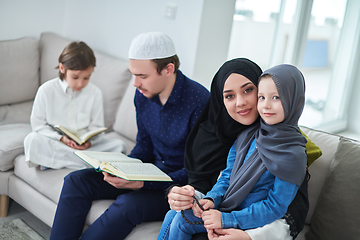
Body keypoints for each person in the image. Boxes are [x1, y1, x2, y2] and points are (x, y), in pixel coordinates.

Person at [49, 32, 210, 240]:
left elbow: (197, 174)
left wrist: (143, 184)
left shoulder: (200, 103)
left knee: (127, 205)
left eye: (142, 76)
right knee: (76, 180)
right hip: (148, 172)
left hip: (176, 188)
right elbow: (143, 146)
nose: (135, 83)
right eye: (133, 74)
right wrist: (123, 170)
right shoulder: (142, 94)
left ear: (168, 69)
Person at [163, 60, 320, 240]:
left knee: (183, 220)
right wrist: (211, 199)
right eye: (262, 97)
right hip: (226, 208)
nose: (266, 105)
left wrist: (235, 225)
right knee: (175, 215)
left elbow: (279, 207)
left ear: (293, 101)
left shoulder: (292, 151)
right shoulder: (246, 136)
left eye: (248, 90)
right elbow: (226, 177)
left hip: (247, 221)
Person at [24, 41, 126, 170]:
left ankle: (57, 162)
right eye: (75, 77)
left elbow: (97, 128)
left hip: (85, 147)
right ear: (62, 68)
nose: (80, 84)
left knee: (119, 145)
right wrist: (61, 139)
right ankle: (88, 163)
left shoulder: (95, 93)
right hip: (58, 143)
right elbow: (38, 126)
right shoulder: (46, 90)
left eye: (86, 78)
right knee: (32, 140)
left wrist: (89, 143)